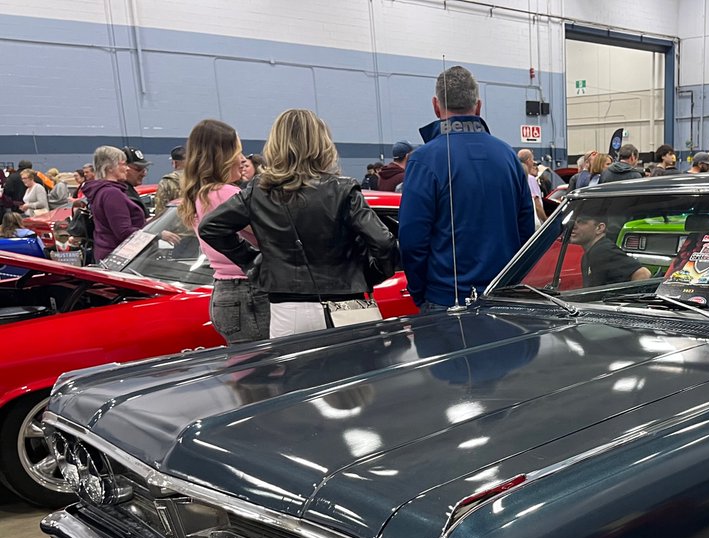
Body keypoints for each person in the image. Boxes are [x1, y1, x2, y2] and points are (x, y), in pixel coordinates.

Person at [200, 109, 395, 338]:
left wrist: (253, 263)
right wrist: (367, 275)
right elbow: (383, 242)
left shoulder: (259, 191)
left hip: (287, 309)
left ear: (275, 144)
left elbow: (211, 227)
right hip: (347, 304)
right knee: (356, 371)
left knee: (296, 374)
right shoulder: (343, 189)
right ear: (322, 143)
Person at [397, 65, 533, 310]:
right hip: (503, 300)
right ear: (478, 106)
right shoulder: (508, 157)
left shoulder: (424, 160)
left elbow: (411, 241)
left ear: (436, 106)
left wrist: (420, 294)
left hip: (447, 300)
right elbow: (526, 231)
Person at [178, 119, 269, 344]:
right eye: (238, 151)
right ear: (222, 156)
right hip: (250, 293)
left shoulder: (199, 194)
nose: (242, 159)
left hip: (225, 292)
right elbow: (270, 235)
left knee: (245, 371)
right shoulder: (226, 194)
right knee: (264, 373)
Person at [81, 145, 146, 261]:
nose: (127, 168)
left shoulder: (101, 191)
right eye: (123, 164)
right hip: (119, 257)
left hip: (106, 254)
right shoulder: (112, 193)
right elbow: (124, 232)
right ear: (110, 167)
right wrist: (155, 234)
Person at [569, 214, 650, 287]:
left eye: (581, 222)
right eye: (574, 221)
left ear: (600, 228)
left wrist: (626, 300)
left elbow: (643, 274)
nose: (573, 226)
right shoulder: (589, 254)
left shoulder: (603, 250)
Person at [517, 148, 547, 225]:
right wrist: (546, 222)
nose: (533, 162)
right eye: (532, 160)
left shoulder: (516, 177)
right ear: (528, 160)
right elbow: (537, 205)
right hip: (533, 221)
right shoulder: (530, 179)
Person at [154, 145, 186, 216]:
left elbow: (160, 211)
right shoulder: (198, 179)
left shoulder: (166, 182)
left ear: (175, 163)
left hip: (175, 224)